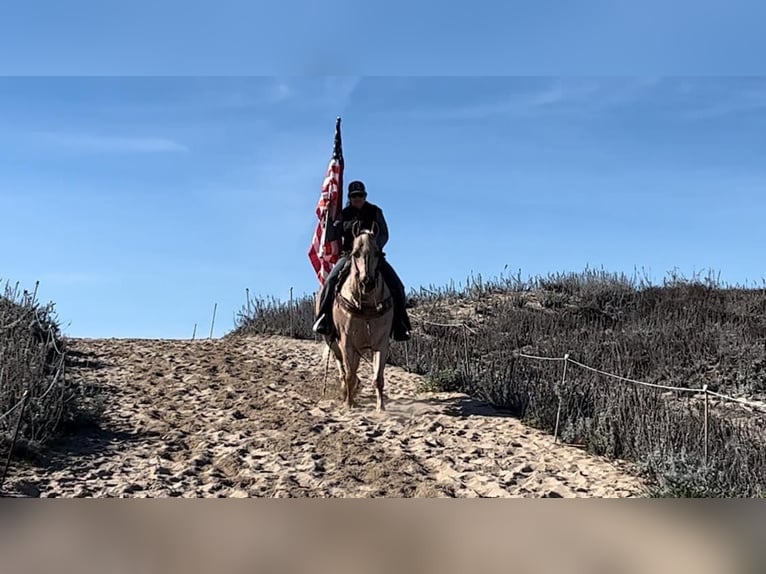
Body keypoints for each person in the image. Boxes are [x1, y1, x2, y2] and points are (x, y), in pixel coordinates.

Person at [312, 180, 412, 341]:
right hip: (349, 256)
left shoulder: (375, 211)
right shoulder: (344, 215)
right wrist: (329, 217)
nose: (358, 198)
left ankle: (401, 325)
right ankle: (324, 320)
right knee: (330, 282)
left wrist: (373, 247)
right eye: (354, 196)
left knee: (397, 286)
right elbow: (332, 236)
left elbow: (384, 234)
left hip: (373, 257)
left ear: (365, 196)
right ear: (350, 198)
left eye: (361, 195)